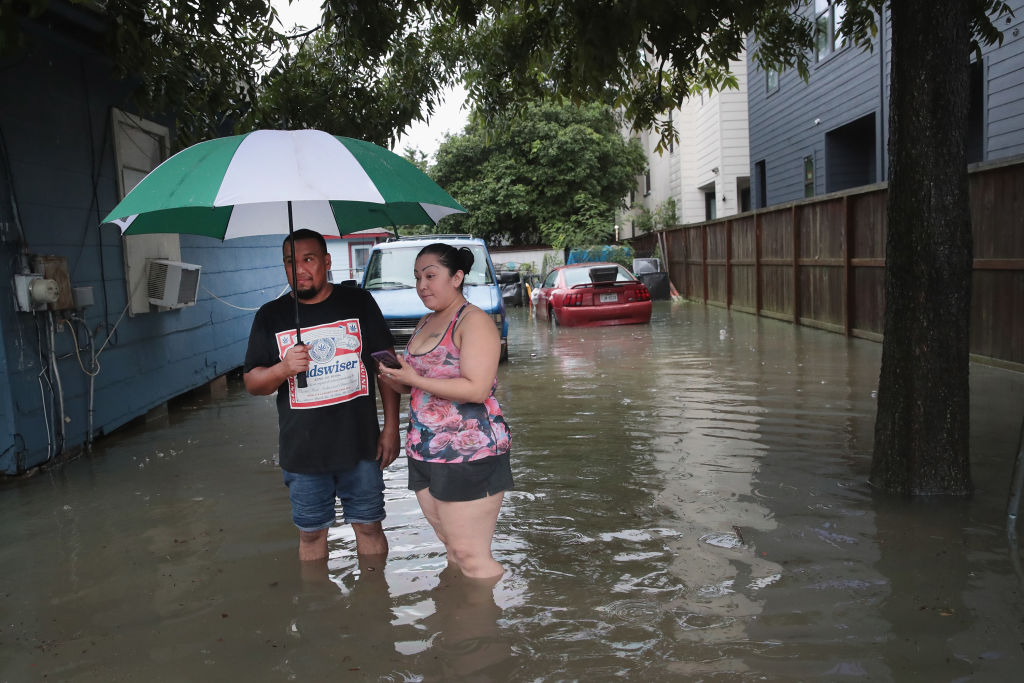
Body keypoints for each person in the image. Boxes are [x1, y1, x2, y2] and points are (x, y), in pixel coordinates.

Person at [244, 229, 401, 563]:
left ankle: (374, 606)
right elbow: (253, 383)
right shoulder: (270, 315)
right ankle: (317, 607)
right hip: (303, 450)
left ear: (327, 262)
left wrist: (391, 427)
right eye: (291, 261)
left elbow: (386, 366)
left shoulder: (358, 302)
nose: (299, 269)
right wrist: (282, 369)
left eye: (308, 259)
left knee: (370, 527)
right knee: (311, 533)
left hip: (360, 444)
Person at [379, 243, 512, 579]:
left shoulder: (475, 321)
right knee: (451, 546)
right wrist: (397, 379)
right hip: (425, 450)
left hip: (469, 453)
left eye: (431, 275)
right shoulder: (426, 320)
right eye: (417, 277)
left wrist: (414, 379)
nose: (422, 285)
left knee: (470, 554)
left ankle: (492, 627)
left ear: (457, 278)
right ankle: (459, 622)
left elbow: (477, 388)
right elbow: (420, 384)